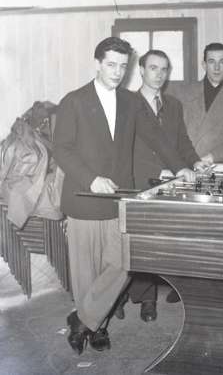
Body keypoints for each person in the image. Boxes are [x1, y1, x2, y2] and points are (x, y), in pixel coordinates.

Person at [54, 37, 190, 355]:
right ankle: (97, 327)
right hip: (84, 200)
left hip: (119, 201)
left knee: (123, 264)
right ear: (98, 64)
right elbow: (61, 148)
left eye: (123, 66)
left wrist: (181, 166)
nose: (117, 72)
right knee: (86, 273)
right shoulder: (74, 101)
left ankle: (82, 320)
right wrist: (91, 179)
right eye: (111, 65)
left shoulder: (131, 101)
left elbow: (156, 137)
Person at [118, 49, 203, 323]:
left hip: (169, 184)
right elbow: (127, 149)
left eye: (164, 69)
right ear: (141, 70)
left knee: (157, 242)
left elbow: (182, 142)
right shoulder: (127, 103)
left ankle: (147, 295)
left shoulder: (174, 105)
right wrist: (159, 171)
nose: (159, 74)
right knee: (136, 243)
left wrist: (195, 162)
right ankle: (140, 298)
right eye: (153, 68)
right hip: (137, 181)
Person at [169, 42, 223, 165]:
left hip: (216, 167)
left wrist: (210, 158)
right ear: (204, 65)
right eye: (211, 62)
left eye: (222, 62)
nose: (217, 68)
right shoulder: (183, 92)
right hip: (182, 166)